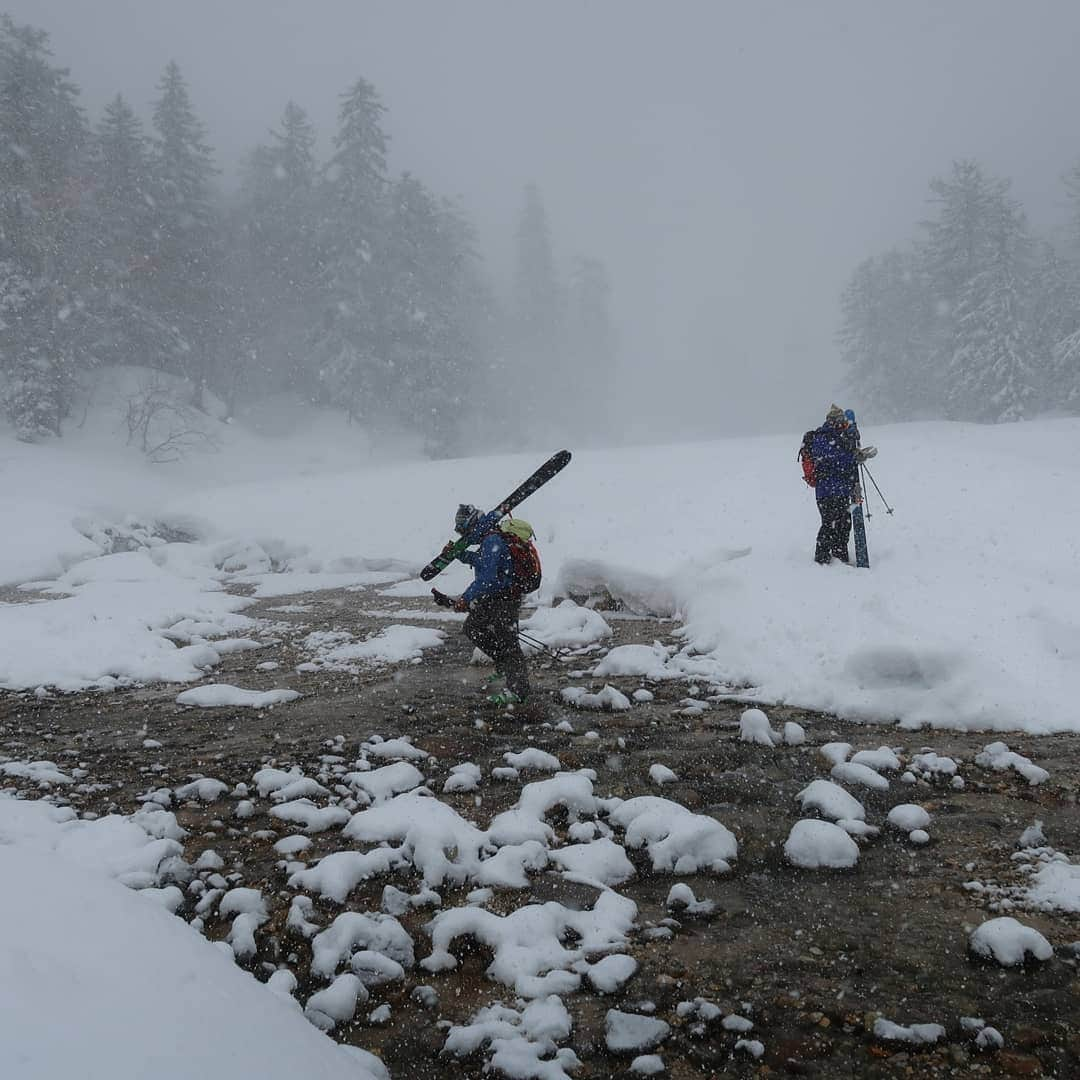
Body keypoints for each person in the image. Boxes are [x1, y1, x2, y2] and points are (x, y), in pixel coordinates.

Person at [431, 504, 533, 706]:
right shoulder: (489, 540)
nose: (462, 533)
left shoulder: (492, 540)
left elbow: (487, 578)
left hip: (505, 598)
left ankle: (518, 691)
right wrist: (458, 554)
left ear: (472, 524)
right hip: (494, 598)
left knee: (509, 642)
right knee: (472, 628)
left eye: (462, 528)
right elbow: (481, 562)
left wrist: (466, 598)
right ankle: (504, 666)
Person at [808, 404, 866, 565]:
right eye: (840, 420)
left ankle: (840, 557)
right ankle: (822, 560)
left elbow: (840, 459)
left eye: (844, 421)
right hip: (827, 492)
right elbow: (832, 459)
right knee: (829, 524)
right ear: (832, 420)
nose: (843, 424)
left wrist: (853, 450)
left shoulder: (842, 436)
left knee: (844, 523)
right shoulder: (822, 437)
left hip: (841, 490)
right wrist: (852, 456)